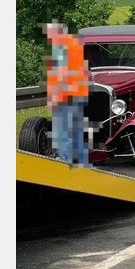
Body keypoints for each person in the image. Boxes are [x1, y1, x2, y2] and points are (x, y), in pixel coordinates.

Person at [45, 23, 91, 166]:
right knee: (77, 131)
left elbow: (60, 76)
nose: (49, 39)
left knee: (63, 133)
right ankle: (80, 162)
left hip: (64, 97)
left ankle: (65, 162)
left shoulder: (60, 49)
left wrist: (53, 99)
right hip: (79, 94)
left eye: (50, 35)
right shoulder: (76, 46)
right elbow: (86, 71)